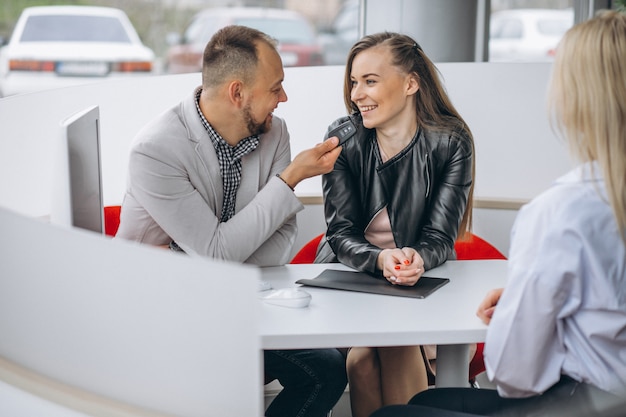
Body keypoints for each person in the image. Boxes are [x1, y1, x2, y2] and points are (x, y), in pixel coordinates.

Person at [370, 9, 626, 417]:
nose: (359, 94)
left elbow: (516, 376)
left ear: (574, 100)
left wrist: (520, 312)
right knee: (420, 400)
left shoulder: (559, 213)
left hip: (582, 406)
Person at [115, 25, 347, 417]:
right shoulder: (155, 151)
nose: (284, 98)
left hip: (237, 308)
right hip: (160, 318)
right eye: (275, 88)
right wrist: (288, 179)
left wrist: (192, 256)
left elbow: (280, 241)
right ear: (237, 92)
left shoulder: (276, 134)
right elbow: (221, 251)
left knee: (325, 368)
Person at [313, 32, 475, 417]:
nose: (356, 94)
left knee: (370, 358)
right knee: (364, 359)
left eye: (370, 81)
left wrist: (415, 258)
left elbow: (439, 237)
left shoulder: (451, 141)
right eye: (354, 82)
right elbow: (340, 235)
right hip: (352, 278)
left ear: (410, 83)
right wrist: (381, 260)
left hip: (420, 281)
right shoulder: (344, 139)